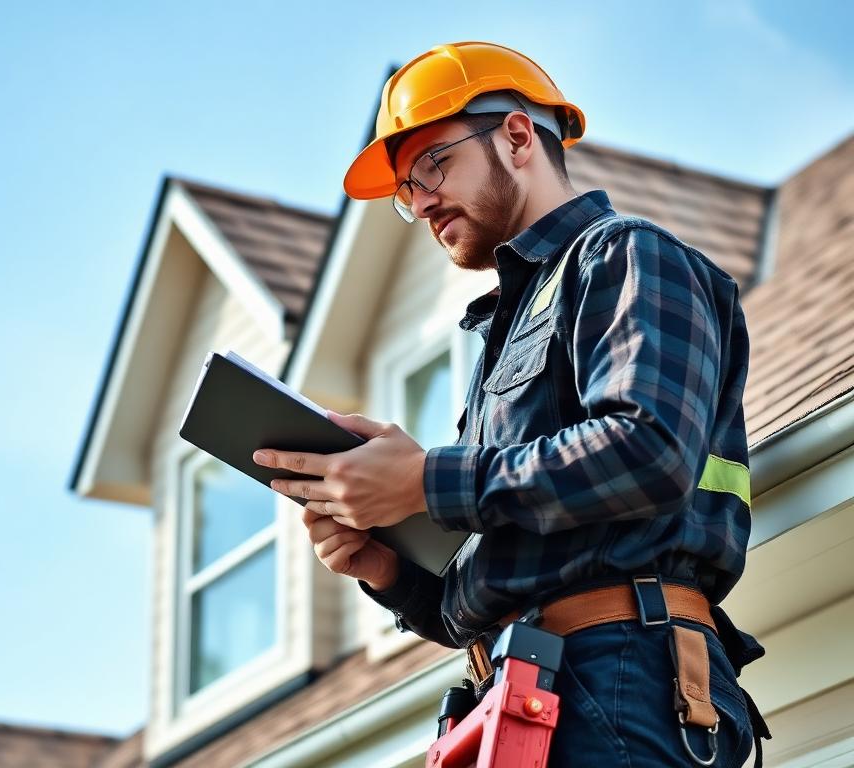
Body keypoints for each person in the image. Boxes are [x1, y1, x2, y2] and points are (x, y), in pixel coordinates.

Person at [252, 41, 769, 767]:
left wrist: (424, 480)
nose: (420, 201)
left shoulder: (626, 256)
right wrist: (387, 569)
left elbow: (651, 452)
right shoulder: (504, 335)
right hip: (521, 692)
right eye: (406, 190)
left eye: (433, 164)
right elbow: (483, 596)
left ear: (518, 136)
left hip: (622, 672)